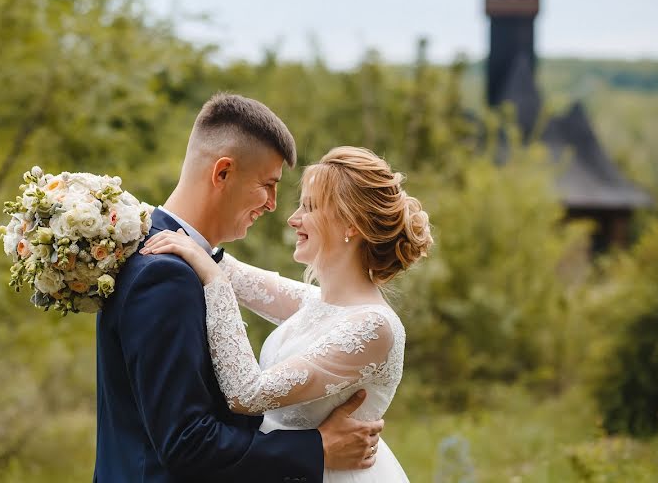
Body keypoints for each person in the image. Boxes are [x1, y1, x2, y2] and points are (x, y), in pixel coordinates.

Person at [93, 94, 383, 482]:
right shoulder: (167, 274)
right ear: (223, 173)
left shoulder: (157, 245)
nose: (274, 206)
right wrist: (317, 448)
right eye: (268, 185)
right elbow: (186, 442)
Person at [141, 146, 433, 482]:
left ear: (350, 224)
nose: (293, 218)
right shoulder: (319, 303)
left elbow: (247, 394)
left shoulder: (373, 326)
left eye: (309, 207)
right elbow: (231, 270)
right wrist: (115, 212)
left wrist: (213, 280)